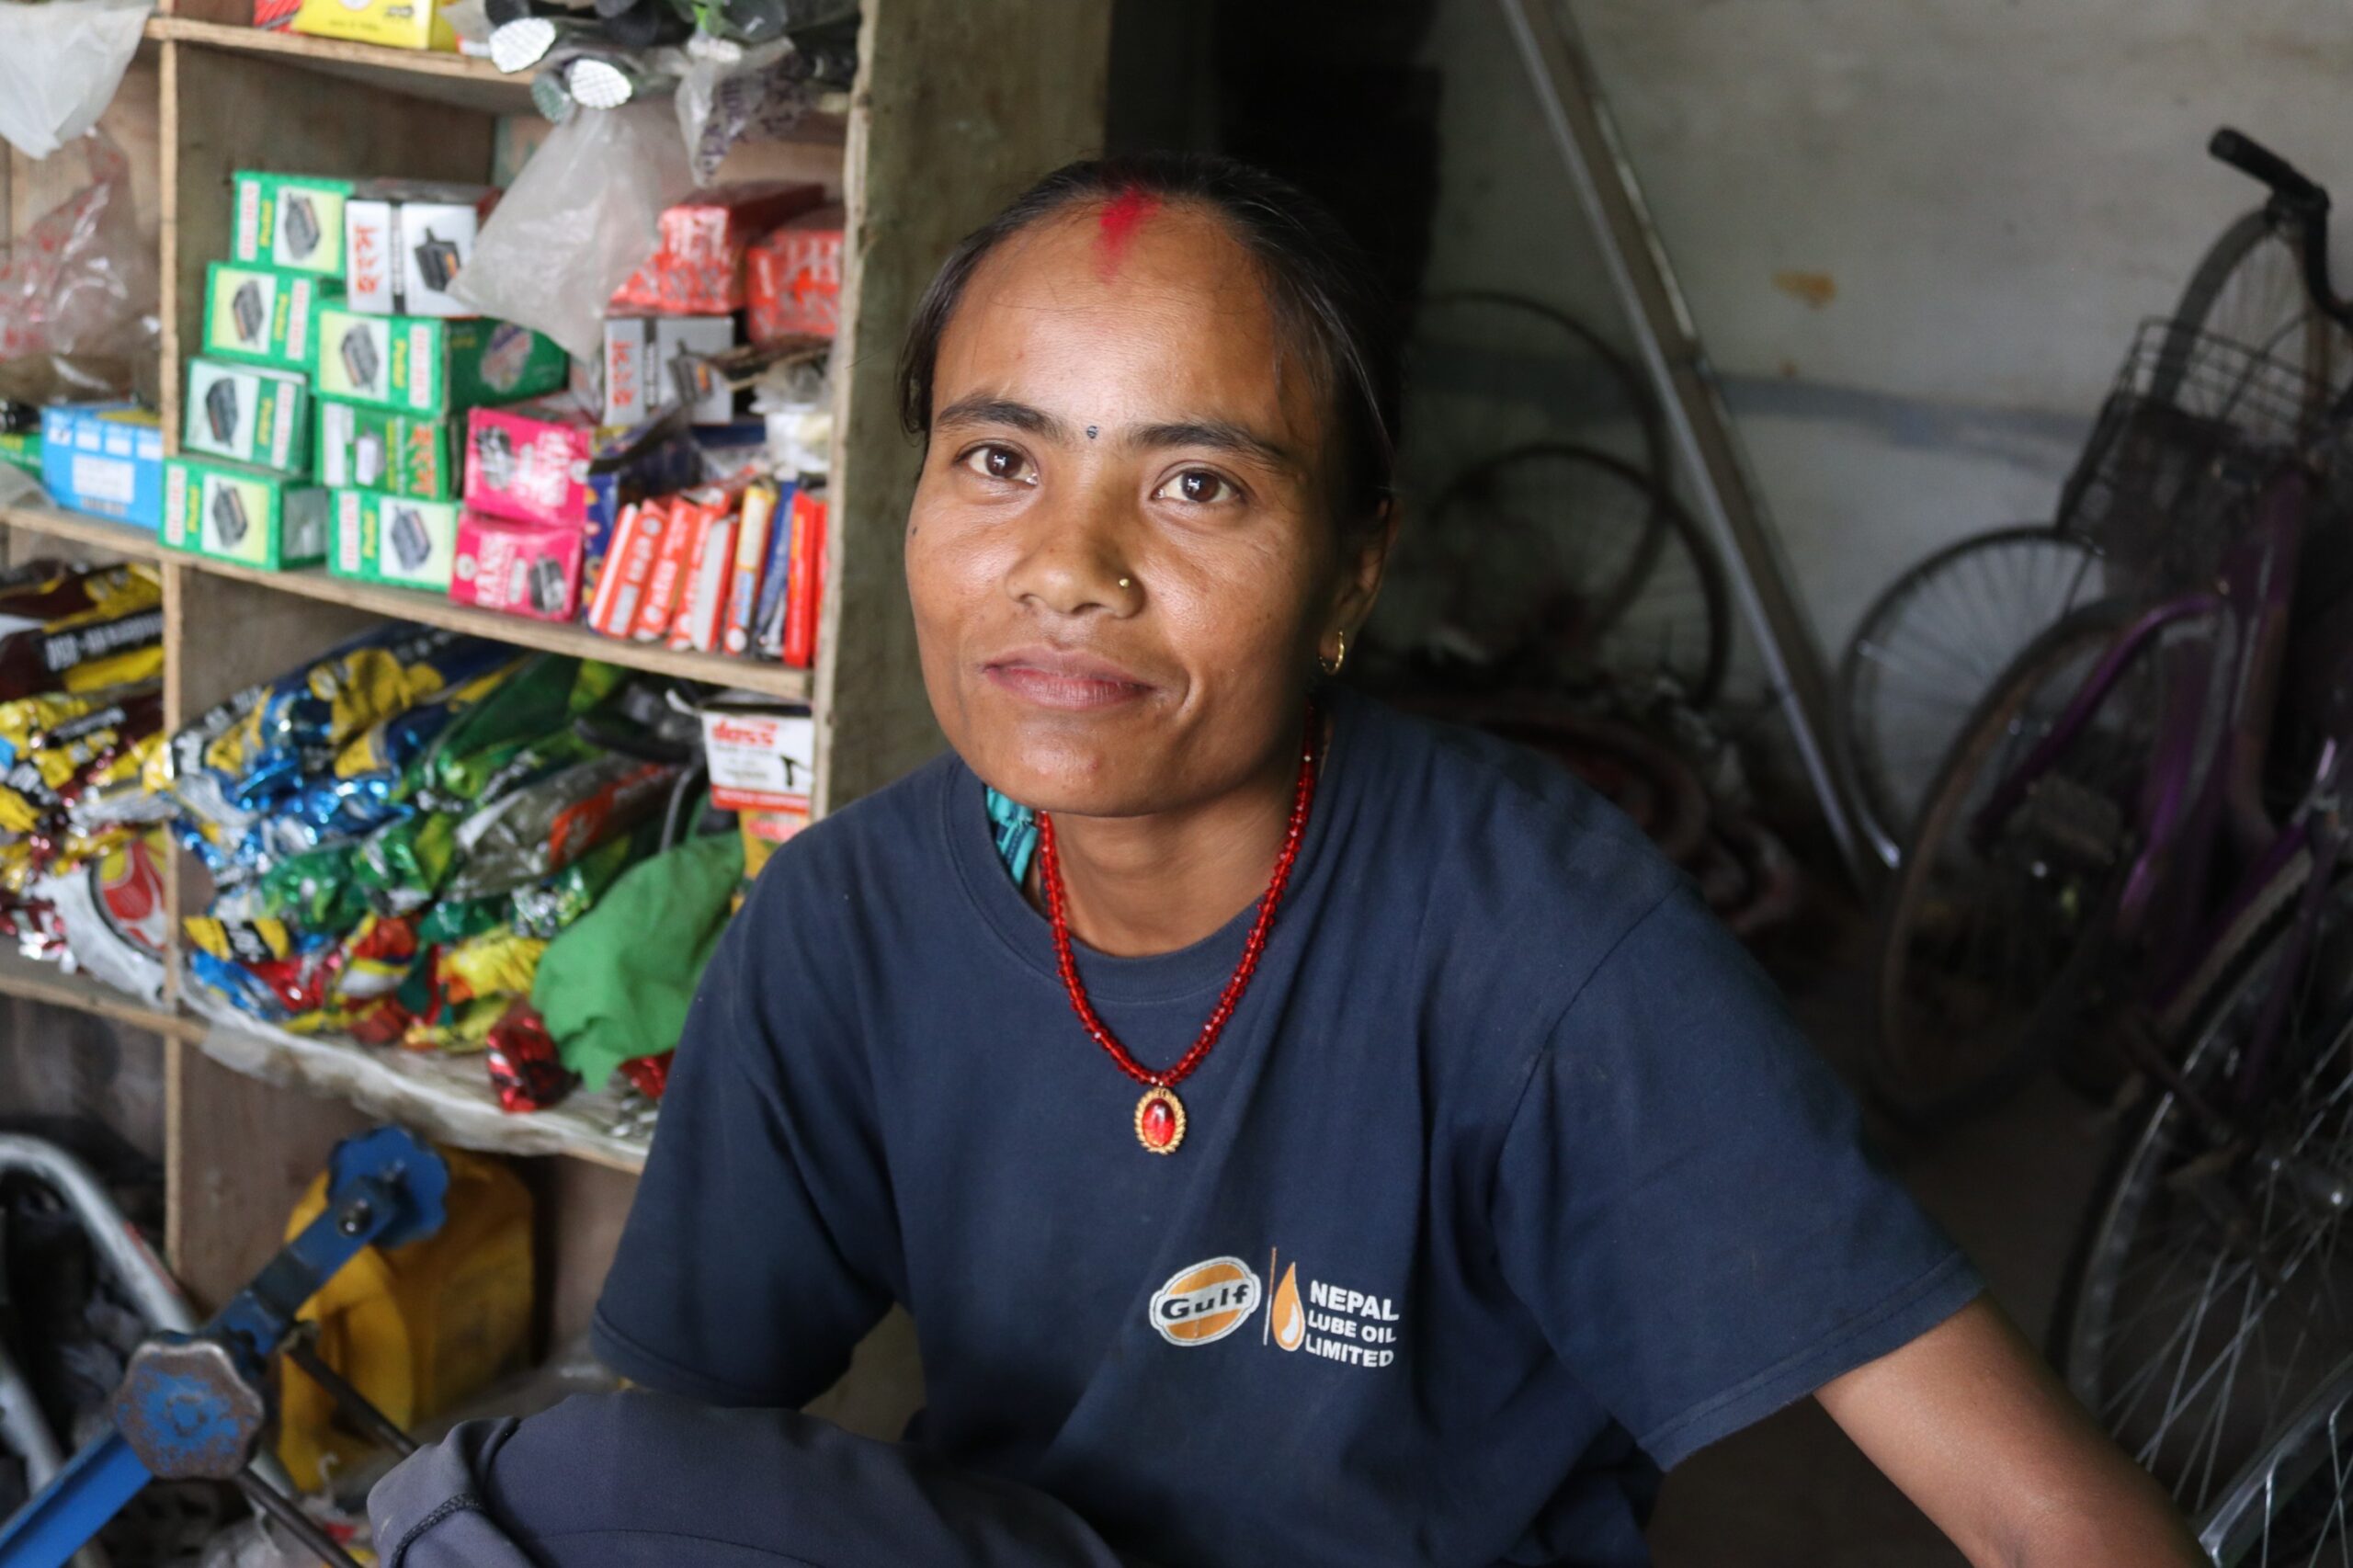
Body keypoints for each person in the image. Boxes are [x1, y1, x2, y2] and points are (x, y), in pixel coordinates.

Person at [370, 153, 2203, 1568]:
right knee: (524, 1496)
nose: (1067, 566)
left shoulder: (1542, 943)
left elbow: (2045, 1516)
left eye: (1197, 485)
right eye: (998, 459)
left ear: (1351, 571)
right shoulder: (846, 923)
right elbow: (678, 1447)